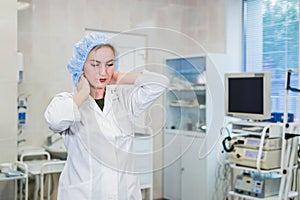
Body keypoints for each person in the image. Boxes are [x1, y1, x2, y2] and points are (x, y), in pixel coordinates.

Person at [44, 32, 169, 200]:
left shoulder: (124, 100)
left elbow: (160, 83)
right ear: (81, 66)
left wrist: (120, 77)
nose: (103, 72)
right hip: (84, 195)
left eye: (109, 64)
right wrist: (83, 92)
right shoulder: (69, 101)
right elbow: (55, 120)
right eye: (95, 64)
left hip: (124, 194)